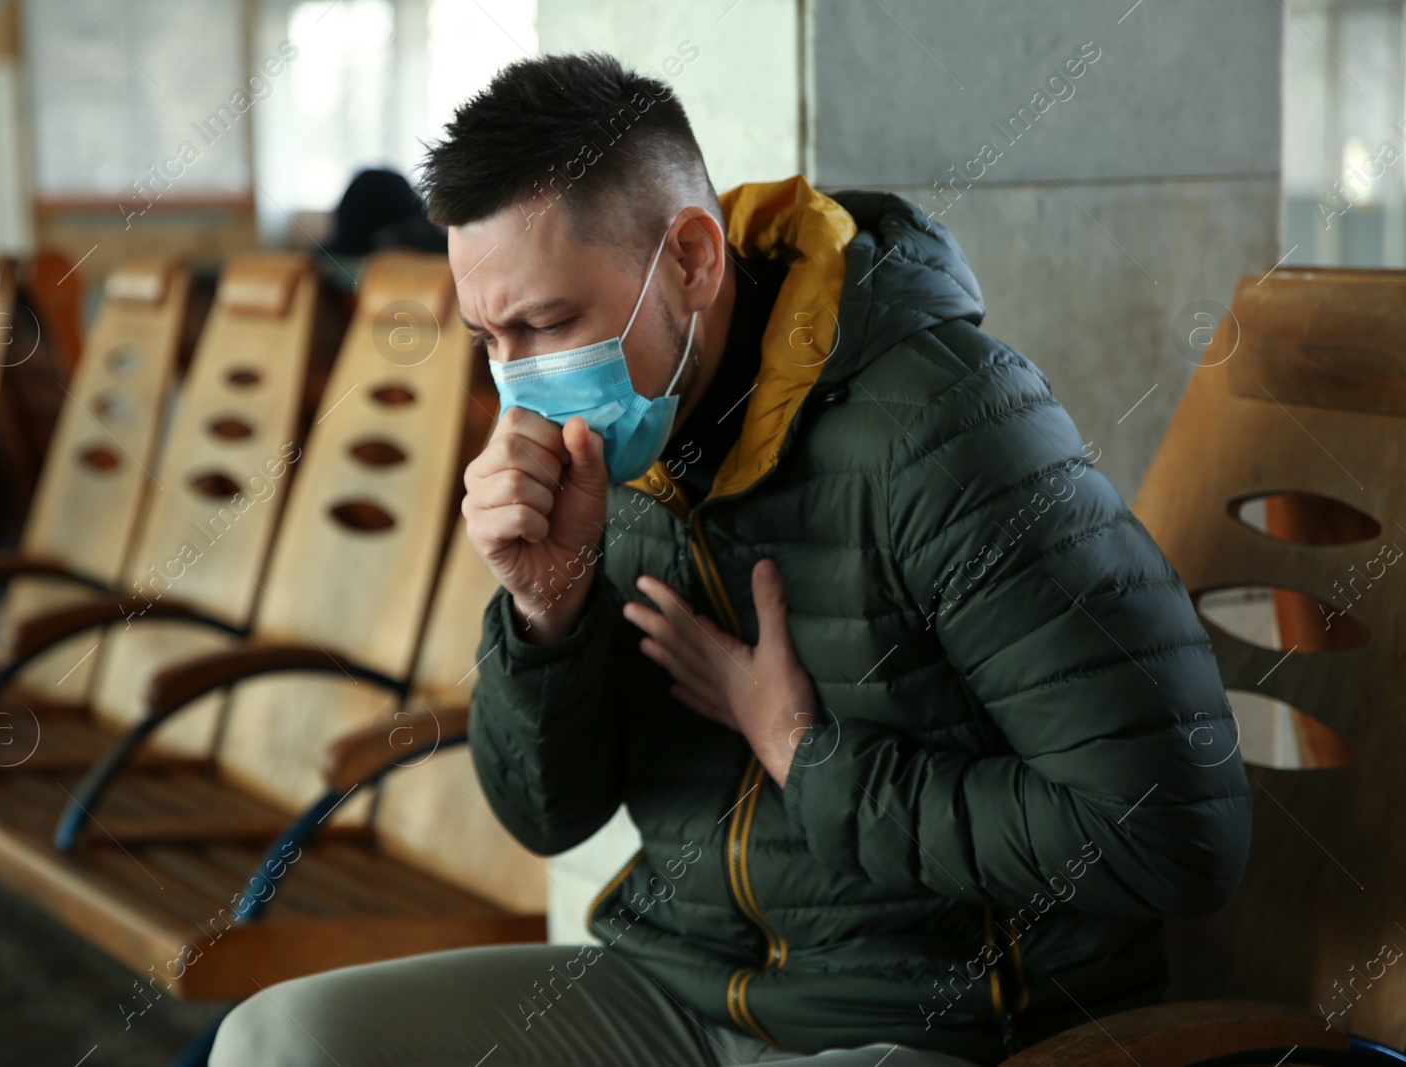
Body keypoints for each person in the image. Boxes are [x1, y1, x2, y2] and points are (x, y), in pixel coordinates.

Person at [210, 52, 1252, 1067]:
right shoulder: (611, 460)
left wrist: (803, 749)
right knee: (279, 1039)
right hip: (669, 987)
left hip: (918, 1020)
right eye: (489, 339)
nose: (519, 385)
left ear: (693, 259)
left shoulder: (948, 431)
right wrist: (545, 610)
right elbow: (546, 814)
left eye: (547, 324)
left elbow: (1172, 833)